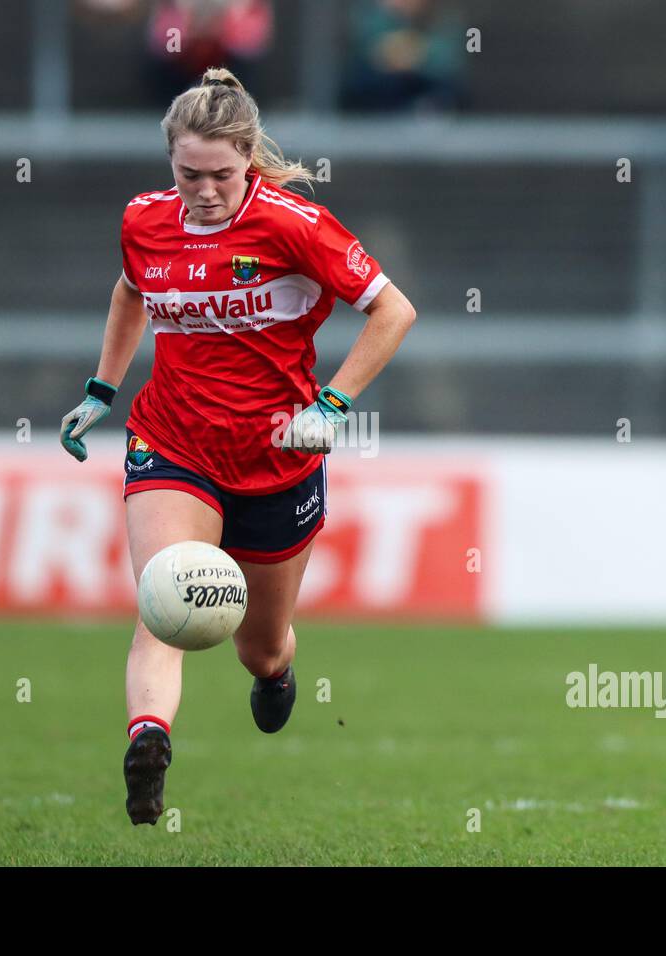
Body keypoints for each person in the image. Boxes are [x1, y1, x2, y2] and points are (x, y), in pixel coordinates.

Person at [59, 66, 418, 825]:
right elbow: (132, 289)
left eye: (222, 173)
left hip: (276, 461)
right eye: (189, 173)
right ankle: (148, 742)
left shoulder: (295, 225)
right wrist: (101, 388)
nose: (205, 190)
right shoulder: (144, 220)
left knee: (259, 646)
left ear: (249, 157)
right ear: (170, 163)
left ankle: (276, 671)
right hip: (172, 442)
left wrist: (333, 405)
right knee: (163, 603)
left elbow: (393, 311)